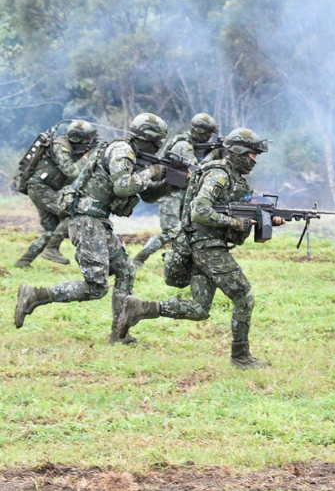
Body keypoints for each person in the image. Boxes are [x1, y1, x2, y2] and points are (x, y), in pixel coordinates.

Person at [114, 128, 283, 368]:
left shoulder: (234, 178)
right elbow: (200, 210)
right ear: (238, 152)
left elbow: (244, 206)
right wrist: (236, 223)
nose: (254, 161)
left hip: (201, 246)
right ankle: (241, 357)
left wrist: (268, 216)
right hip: (206, 247)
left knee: (199, 309)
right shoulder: (218, 175)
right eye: (252, 155)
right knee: (244, 296)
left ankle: (140, 308)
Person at [14, 113, 171, 343]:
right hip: (87, 220)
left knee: (126, 271)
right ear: (150, 139)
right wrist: (151, 172)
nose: (160, 145)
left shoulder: (133, 154)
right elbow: (123, 187)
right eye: (159, 140)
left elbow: (147, 195)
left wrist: (171, 182)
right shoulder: (122, 150)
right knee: (96, 287)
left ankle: (120, 334)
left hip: (97, 221)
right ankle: (35, 295)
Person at [132, 113, 219, 268]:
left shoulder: (192, 144)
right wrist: (212, 156)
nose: (210, 136)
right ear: (199, 130)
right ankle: (140, 258)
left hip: (182, 192)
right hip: (170, 193)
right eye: (208, 132)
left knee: (188, 229)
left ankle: (177, 259)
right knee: (170, 231)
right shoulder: (183, 145)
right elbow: (195, 171)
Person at [14, 120, 96, 268]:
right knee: (74, 212)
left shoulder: (72, 146)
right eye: (87, 139)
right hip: (40, 188)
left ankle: (23, 262)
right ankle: (52, 249)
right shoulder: (60, 146)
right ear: (77, 138)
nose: (89, 142)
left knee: (51, 231)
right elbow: (71, 172)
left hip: (42, 189)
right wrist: (87, 157)